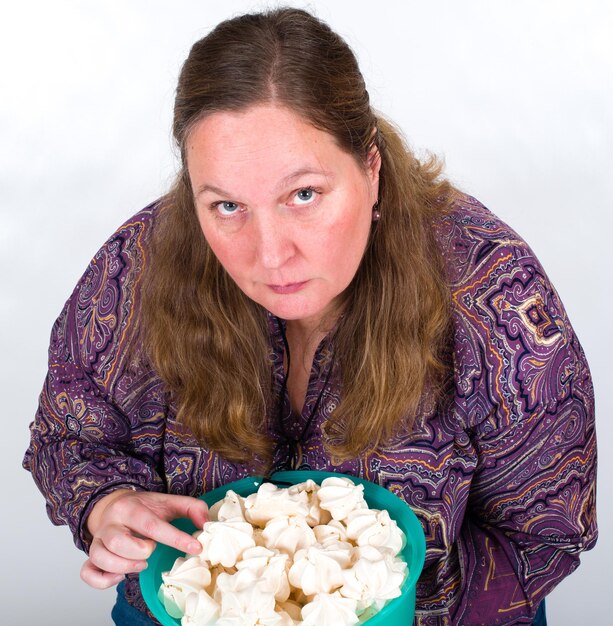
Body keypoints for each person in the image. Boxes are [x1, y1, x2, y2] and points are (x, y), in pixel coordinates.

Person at [23, 7, 597, 626]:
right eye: (227, 205)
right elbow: (71, 435)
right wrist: (107, 504)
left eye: (304, 195)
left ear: (370, 170)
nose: (270, 255)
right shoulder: (134, 269)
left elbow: (545, 529)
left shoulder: (494, 295)